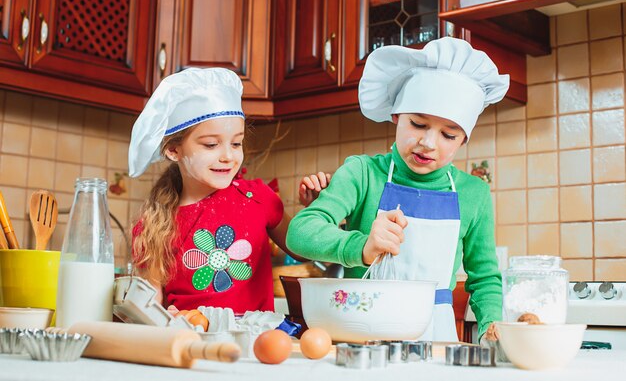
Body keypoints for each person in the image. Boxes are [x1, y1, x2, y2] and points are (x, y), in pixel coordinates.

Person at [287, 37, 509, 342]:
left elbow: (484, 278)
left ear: (464, 139)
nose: (429, 143)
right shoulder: (363, 173)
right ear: (396, 116)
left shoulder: (474, 193)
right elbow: (300, 231)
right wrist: (362, 247)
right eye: (418, 124)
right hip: (361, 338)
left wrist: (492, 327)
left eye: (448, 134)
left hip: (436, 338)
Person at [128, 67, 324, 315]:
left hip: (255, 344)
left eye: (236, 143)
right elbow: (148, 309)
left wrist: (318, 211)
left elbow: (305, 252)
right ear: (173, 150)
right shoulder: (153, 225)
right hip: (191, 344)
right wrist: (163, 317)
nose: (228, 156)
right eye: (211, 144)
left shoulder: (258, 198)